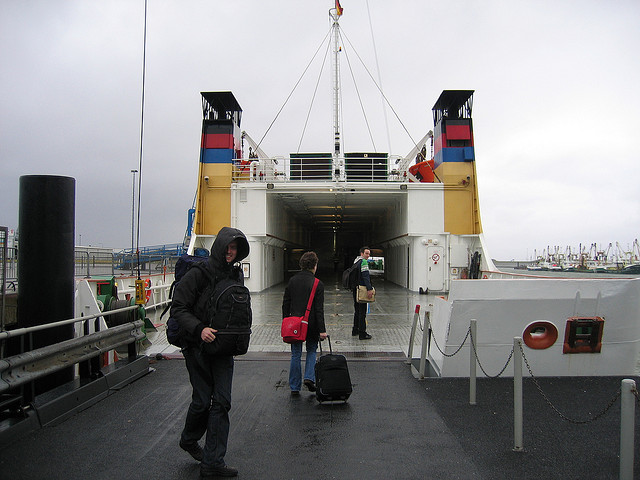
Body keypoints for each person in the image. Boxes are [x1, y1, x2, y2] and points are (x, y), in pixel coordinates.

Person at [171, 226, 250, 479]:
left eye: (234, 248)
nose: (230, 252)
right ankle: (189, 439)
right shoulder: (199, 273)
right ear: (219, 246)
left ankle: (213, 462)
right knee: (203, 401)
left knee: (222, 402)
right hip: (196, 345)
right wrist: (200, 329)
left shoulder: (235, 275)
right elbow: (178, 308)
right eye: (227, 247)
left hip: (222, 348)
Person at [282, 251, 328, 396]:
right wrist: (322, 330)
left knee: (295, 354)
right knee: (312, 350)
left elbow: (286, 303)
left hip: (295, 324)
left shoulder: (292, 281)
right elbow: (319, 309)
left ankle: (294, 386)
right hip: (312, 324)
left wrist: (286, 320)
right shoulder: (318, 283)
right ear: (314, 265)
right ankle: (309, 377)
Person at [352, 246, 373, 340]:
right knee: (362, 312)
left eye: (369, 254)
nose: (368, 255)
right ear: (362, 253)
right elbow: (365, 276)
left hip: (355, 289)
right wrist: (369, 289)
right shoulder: (364, 262)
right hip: (362, 290)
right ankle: (362, 333)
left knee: (357, 311)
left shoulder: (356, 261)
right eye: (366, 253)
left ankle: (355, 330)